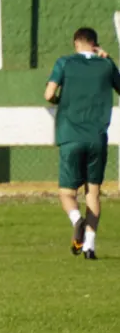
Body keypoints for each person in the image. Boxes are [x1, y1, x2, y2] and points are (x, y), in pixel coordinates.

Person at [44, 27, 120, 260]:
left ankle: (77, 220)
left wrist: (60, 99)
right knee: (93, 194)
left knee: (67, 193)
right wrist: (110, 60)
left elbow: (49, 95)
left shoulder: (65, 63)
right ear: (95, 45)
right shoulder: (106, 65)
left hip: (70, 136)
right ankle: (89, 245)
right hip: (96, 138)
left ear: (75, 43)